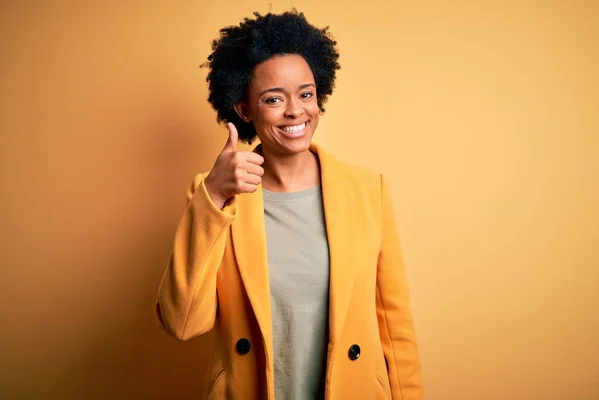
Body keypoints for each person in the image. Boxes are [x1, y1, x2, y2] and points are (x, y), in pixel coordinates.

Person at [155, 10, 423, 400]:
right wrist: (212, 196)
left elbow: (395, 326)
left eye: (306, 93)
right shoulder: (215, 197)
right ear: (245, 110)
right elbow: (182, 323)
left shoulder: (368, 190)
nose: (296, 110)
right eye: (274, 98)